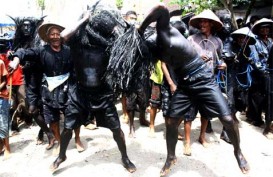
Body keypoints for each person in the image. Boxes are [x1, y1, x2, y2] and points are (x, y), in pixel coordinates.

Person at [138, 3, 249, 176]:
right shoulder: (160, 48)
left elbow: (160, 8)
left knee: (227, 119)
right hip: (184, 84)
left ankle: (238, 152)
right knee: (171, 121)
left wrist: (140, 28)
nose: (149, 39)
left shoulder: (168, 33)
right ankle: (170, 157)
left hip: (204, 78)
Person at [43, 1, 136, 173]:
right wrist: (83, 19)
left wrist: (120, 27)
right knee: (68, 128)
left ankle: (124, 157)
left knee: (116, 130)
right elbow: (63, 37)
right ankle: (61, 155)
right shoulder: (77, 42)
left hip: (102, 93)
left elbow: (126, 45)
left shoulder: (107, 44)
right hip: (79, 93)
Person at [8, 21, 84, 152]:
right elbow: (23, 52)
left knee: (74, 115)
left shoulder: (69, 51)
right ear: (48, 37)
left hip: (68, 88)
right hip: (50, 90)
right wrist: (15, 60)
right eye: (52, 34)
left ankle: (77, 139)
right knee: (53, 120)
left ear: (61, 36)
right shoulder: (41, 51)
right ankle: (59, 142)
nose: (55, 36)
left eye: (57, 33)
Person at [0, 58, 11, 159]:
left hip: (1, 97)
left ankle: (7, 147)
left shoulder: (0, 62)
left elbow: (5, 81)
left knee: (3, 123)